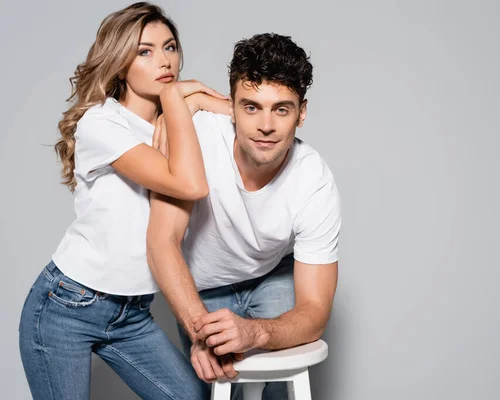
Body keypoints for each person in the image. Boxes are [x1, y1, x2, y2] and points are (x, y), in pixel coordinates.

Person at [18, 3, 229, 399]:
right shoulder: (102, 123)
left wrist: (190, 104)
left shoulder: (177, 123)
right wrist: (183, 99)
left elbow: (249, 120)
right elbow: (188, 184)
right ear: (120, 64)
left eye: (170, 47)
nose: (164, 60)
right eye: (144, 51)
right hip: (67, 306)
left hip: (131, 314)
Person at [147, 32, 342, 399]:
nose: (265, 126)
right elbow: (162, 243)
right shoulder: (198, 138)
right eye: (251, 107)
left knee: (280, 378)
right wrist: (198, 332)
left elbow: (315, 310)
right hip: (203, 285)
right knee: (215, 386)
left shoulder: (314, 181)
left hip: (272, 275)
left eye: (281, 109)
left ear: (302, 113)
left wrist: (258, 333)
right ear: (231, 107)